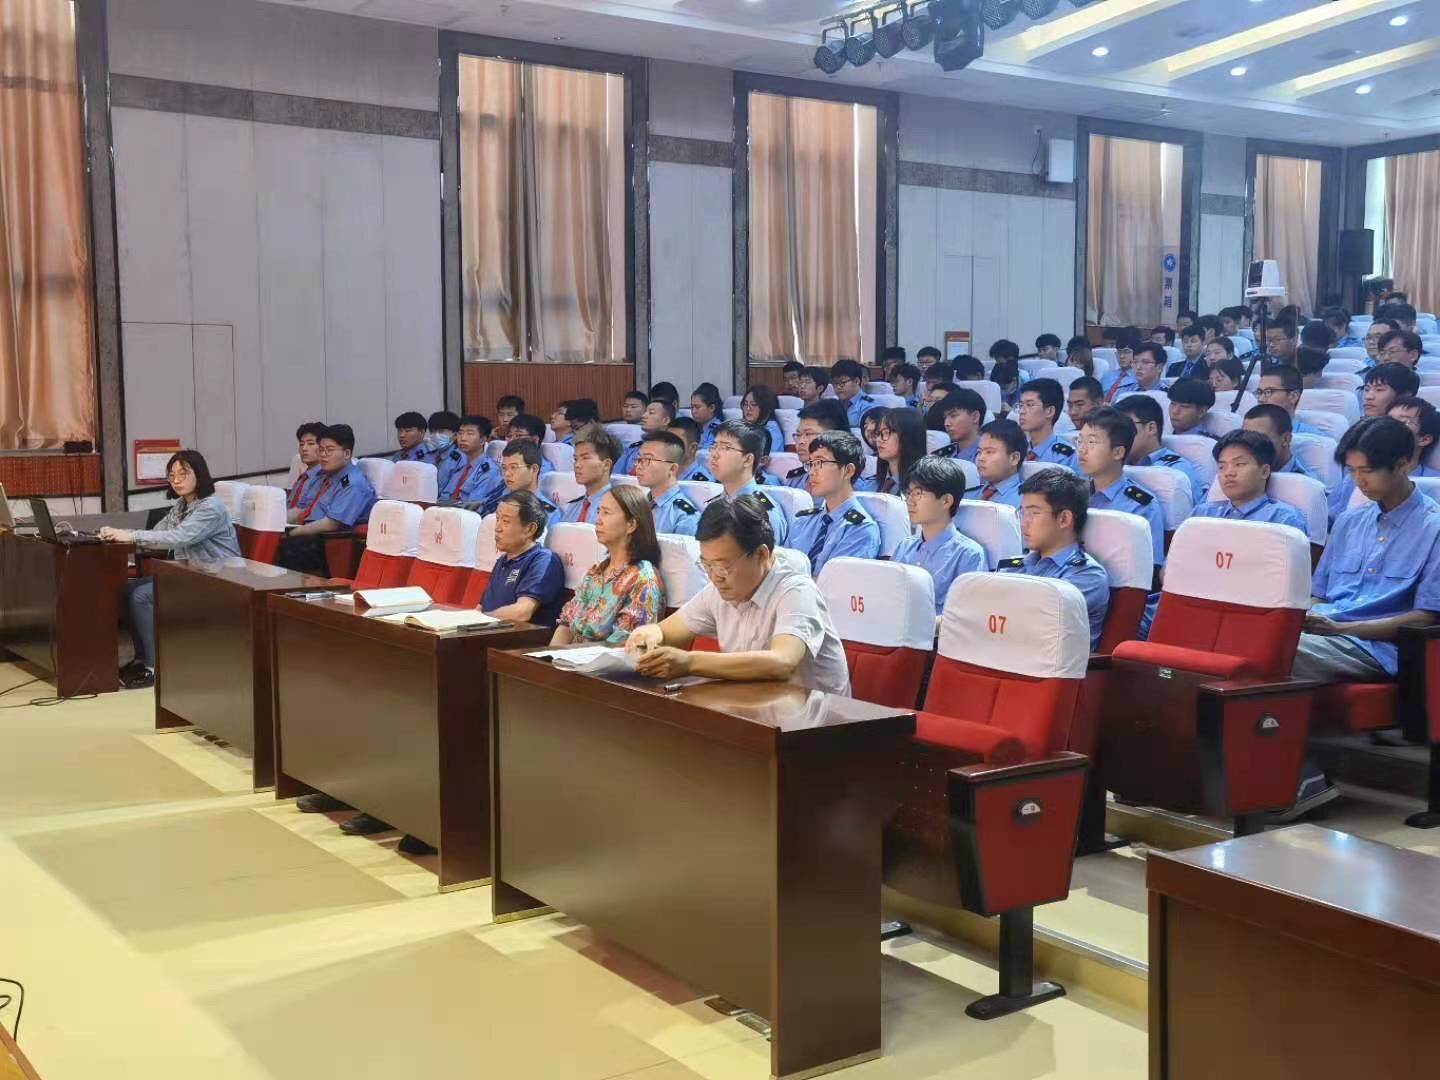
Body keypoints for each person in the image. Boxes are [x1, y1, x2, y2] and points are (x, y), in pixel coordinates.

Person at [1285, 417, 1440, 815]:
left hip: (1377, 647)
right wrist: (1300, 616)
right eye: (1352, 471)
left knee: (1277, 654)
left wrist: (1343, 627)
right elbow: (1319, 594)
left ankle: (1298, 778)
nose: (1358, 481)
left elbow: (1426, 618)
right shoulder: (1351, 520)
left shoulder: (1435, 528)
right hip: (1326, 631)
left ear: (1403, 464)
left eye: (1367, 470)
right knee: (1252, 641)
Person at [626, 496, 851, 693]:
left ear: (761, 554)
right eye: (706, 565)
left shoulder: (797, 591)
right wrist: (646, 634)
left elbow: (782, 662)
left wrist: (690, 662)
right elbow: (664, 631)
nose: (714, 577)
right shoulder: (719, 591)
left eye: (722, 566)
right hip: (757, 707)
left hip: (818, 718)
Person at [99, 450, 241, 690]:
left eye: (183, 474)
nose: (176, 480)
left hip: (217, 579)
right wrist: (115, 535)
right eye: (172, 475)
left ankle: (155, 667)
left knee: (140, 596)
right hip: (192, 574)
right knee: (125, 590)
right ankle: (142, 659)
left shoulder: (211, 507)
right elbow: (157, 533)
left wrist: (129, 535)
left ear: (199, 475)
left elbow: (177, 537)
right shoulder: (182, 505)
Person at [998, 470, 1109, 650]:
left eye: (1033, 513)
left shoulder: (1087, 575)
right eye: (1022, 513)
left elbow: (1035, 624)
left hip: (1046, 662)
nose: (1023, 523)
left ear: (1064, 519)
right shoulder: (1013, 566)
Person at [552, 485, 665, 645]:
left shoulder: (643, 578)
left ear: (631, 525)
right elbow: (566, 624)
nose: (597, 520)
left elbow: (623, 644)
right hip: (569, 656)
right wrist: (549, 656)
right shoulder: (596, 571)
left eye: (606, 513)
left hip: (605, 659)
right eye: (598, 511)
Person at [277, 424, 378, 573]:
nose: (323, 455)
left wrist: (291, 533)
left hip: (329, 540)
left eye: (329, 450)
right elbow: (301, 508)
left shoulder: (352, 483)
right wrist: (277, 524)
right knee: (270, 538)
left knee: (282, 547)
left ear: (346, 453)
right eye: (321, 450)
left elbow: (331, 524)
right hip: (308, 531)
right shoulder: (322, 476)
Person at [893, 456, 986, 616]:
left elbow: (965, 615)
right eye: (908, 493)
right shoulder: (904, 546)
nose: (910, 501)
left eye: (918, 493)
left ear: (946, 501)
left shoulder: (968, 554)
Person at [1077, 407, 1166, 570]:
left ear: (1118, 452)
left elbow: (1149, 569)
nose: (1082, 449)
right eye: (1079, 440)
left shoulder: (1140, 506)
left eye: (1092, 442)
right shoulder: (1072, 493)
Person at [787, 430, 881, 576]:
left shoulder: (861, 530)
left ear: (848, 471)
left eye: (820, 463)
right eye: (810, 464)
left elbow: (834, 583)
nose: (811, 472)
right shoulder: (803, 521)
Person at [1191, 430, 1309, 532]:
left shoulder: (1283, 519)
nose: (1228, 473)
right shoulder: (1202, 514)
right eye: (1222, 467)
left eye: (1239, 464)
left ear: (1264, 471)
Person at [479, 492, 567, 626]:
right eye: (497, 519)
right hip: (491, 631)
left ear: (530, 529)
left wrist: (480, 620)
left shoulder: (543, 560)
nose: (497, 528)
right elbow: (482, 607)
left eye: (506, 521)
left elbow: (522, 612)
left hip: (520, 637)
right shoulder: (502, 561)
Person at [1116, 394, 1206, 507]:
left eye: (1124, 427)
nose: (1117, 435)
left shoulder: (1177, 471)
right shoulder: (1113, 463)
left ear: (1151, 428)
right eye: (1114, 429)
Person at [710, 419, 790, 543]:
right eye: (714, 446)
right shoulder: (714, 504)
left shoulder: (763, 513)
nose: (714, 454)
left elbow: (766, 555)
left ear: (748, 459)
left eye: (725, 448)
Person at [636, 431, 702, 537]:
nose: (638, 466)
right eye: (639, 459)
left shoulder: (684, 517)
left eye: (647, 459)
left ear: (672, 469)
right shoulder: (639, 505)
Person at [439, 415, 504, 515]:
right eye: (460, 433)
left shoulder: (490, 470)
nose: (463, 438)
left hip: (465, 517)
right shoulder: (456, 463)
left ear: (482, 439)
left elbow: (472, 506)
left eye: (470, 434)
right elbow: (441, 493)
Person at [559, 425, 619, 525]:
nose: (577, 465)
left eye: (585, 458)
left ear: (606, 464)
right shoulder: (571, 507)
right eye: (575, 459)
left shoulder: (617, 507)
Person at [784, 401, 849, 490]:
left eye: (809, 434)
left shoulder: (851, 485)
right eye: (798, 435)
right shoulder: (795, 480)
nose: (800, 441)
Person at [1244, 405, 1318, 481]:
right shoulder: (1241, 473)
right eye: (1246, 437)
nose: (1250, 445)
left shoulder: (1304, 483)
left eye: (1259, 438)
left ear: (1286, 439)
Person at [499, 439, 561, 528]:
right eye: (504, 468)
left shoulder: (548, 513)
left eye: (513, 467)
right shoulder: (500, 499)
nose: (507, 474)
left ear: (534, 469)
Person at [1016, 377, 1076, 467]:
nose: (1021, 411)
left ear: (1050, 411)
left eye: (1030, 405)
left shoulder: (1066, 457)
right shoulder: (1017, 452)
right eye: (1021, 405)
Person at [971, 418, 1026, 507]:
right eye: (979, 452)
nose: (980, 458)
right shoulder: (968, 495)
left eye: (989, 452)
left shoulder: (1026, 500)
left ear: (1014, 458)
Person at [871, 407, 927, 496]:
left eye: (886, 432)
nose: (879, 439)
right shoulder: (873, 483)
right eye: (878, 433)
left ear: (908, 436)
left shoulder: (924, 487)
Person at [616, 397, 676, 475]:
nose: (644, 416)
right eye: (645, 412)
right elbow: (615, 475)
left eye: (651, 413)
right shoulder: (632, 450)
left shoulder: (672, 451)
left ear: (665, 420)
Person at [1255, 366, 1322, 434]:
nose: (1261, 399)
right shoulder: (1249, 430)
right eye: (1259, 392)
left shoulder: (1314, 437)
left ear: (1293, 396)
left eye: (1269, 392)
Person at [929, 387, 987, 463]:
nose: (946, 423)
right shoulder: (942, 455)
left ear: (975, 417)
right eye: (945, 418)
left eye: (953, 416)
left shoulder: (987, 456)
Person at [288, 421, 327, 511]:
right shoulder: (302, 479)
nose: (304, 448)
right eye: (301, 444)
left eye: (311, 444)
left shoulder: (325, 479)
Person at [741, 384, 786, 461]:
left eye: (753, 404)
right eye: (745, 404)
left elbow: (758, 460)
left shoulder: (772, 432)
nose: (748, 408)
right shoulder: (744, 426)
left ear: (765, 407)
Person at [830, 358, 875, 429]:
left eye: (842, 383)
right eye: (835, 383)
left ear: (857, 381)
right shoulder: (834, 404)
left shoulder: (867, 405)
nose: (838, 387)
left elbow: (868, 431)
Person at [668, 417, 713, 482]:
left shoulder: (702, 483)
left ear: (692, 448)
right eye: (666, 440)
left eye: (675, 442)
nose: (667, 446)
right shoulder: (663, 471)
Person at [1104, 333, 1141, 401]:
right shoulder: (1108, 375)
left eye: (1126, 352)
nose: (1121, 356)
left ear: (1137, 354)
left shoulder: (1140, 377)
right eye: (1119, 352)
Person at [690, 383, 725, 448]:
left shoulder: (718, 430)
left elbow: (706, 452)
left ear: (711, 407)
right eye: (692, 407)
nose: (693, 411)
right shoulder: (693, 427)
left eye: (697, 407)